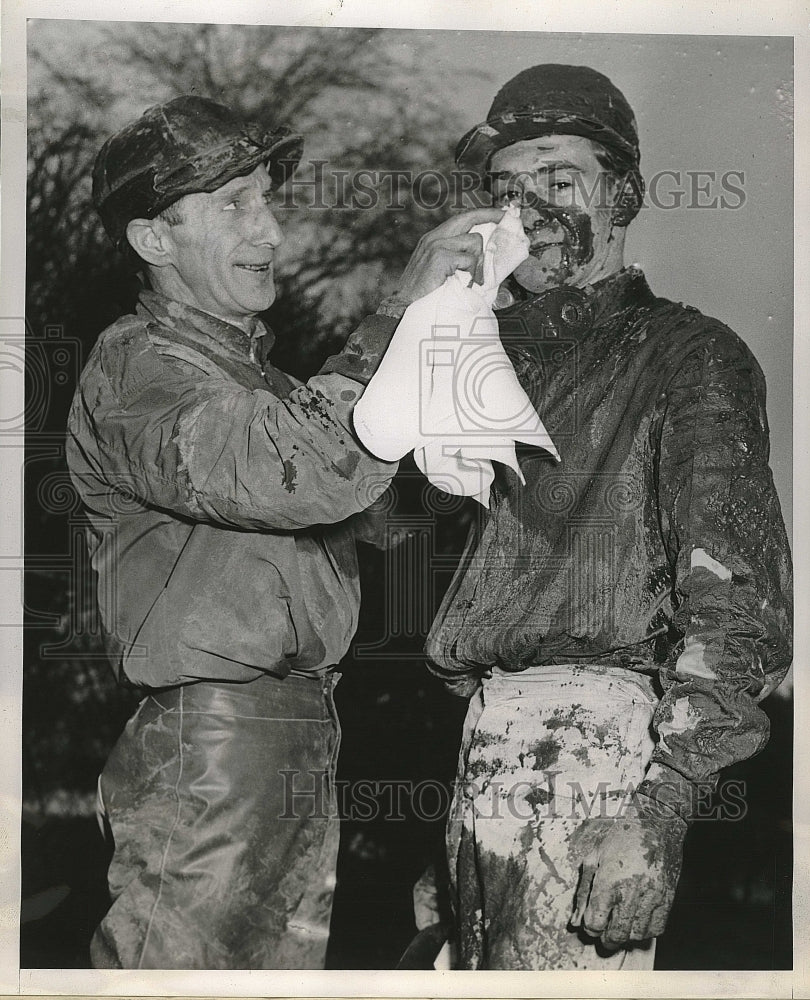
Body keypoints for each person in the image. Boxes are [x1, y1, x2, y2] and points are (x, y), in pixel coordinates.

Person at [66, 94, 500, 970]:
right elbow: (290, 469)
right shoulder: (138, 367)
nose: (270, 231)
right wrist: (400, 315)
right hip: (214, 739)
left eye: (269, 201)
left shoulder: (250, 376)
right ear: (154, 240)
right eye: (233, 204)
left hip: (296, 727)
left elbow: (360, 514)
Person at [421, 64, 793, 970]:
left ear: (622, 192)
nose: (529, 207)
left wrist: (656, 810)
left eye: (558, 177)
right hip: (483, 744)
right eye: (505, 189)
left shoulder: (688, 356)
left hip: (603, 750)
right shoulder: (472, 361)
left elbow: (735, 605)